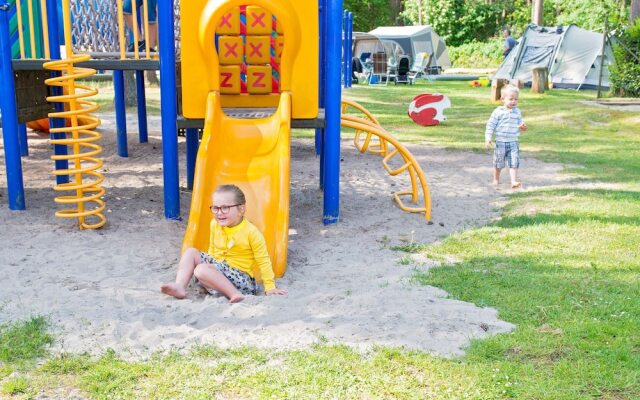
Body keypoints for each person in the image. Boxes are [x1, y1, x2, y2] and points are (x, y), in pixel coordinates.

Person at [161, 184, 288, 302]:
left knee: (200, 270)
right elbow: (212, 251)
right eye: (215, 208)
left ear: (241, 209)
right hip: (220, 269)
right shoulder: (214, 225)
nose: (219, 213)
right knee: (190, 252)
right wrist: (210, 267)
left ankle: (234, 294)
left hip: (241, 279)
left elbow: (263, 260)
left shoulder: (251, 232)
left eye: (225, 208)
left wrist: (270, 287)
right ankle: (180, 286)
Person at [485, 85, 528, 189]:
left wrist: (523, 127)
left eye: (516, 99)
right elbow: (490, 125)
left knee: (514, 162)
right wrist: (488, 137)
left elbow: (520, 123)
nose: (514, 101)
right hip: (501, 142)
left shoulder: (517, 111)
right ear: (502, 99)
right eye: (511, 99)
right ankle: (496, 179)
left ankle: (513, 181)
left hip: (513, 142)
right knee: (498, 162)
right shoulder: (498, 112)